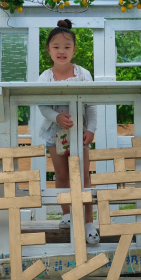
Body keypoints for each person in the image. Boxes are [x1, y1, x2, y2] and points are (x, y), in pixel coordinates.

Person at [37, 19, 100, 244]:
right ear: (48, 50)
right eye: (56, 47)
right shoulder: (45, 77)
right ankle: (67, 214)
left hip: (79, 134)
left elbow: (91, 105)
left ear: (74, 49)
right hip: (55, 136)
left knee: (83, 177)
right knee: (62, 175)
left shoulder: (84, 74)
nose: (61, 51)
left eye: (66, 47)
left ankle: (88, 220)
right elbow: (41, 105)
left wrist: (91, 129)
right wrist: (56, 117)